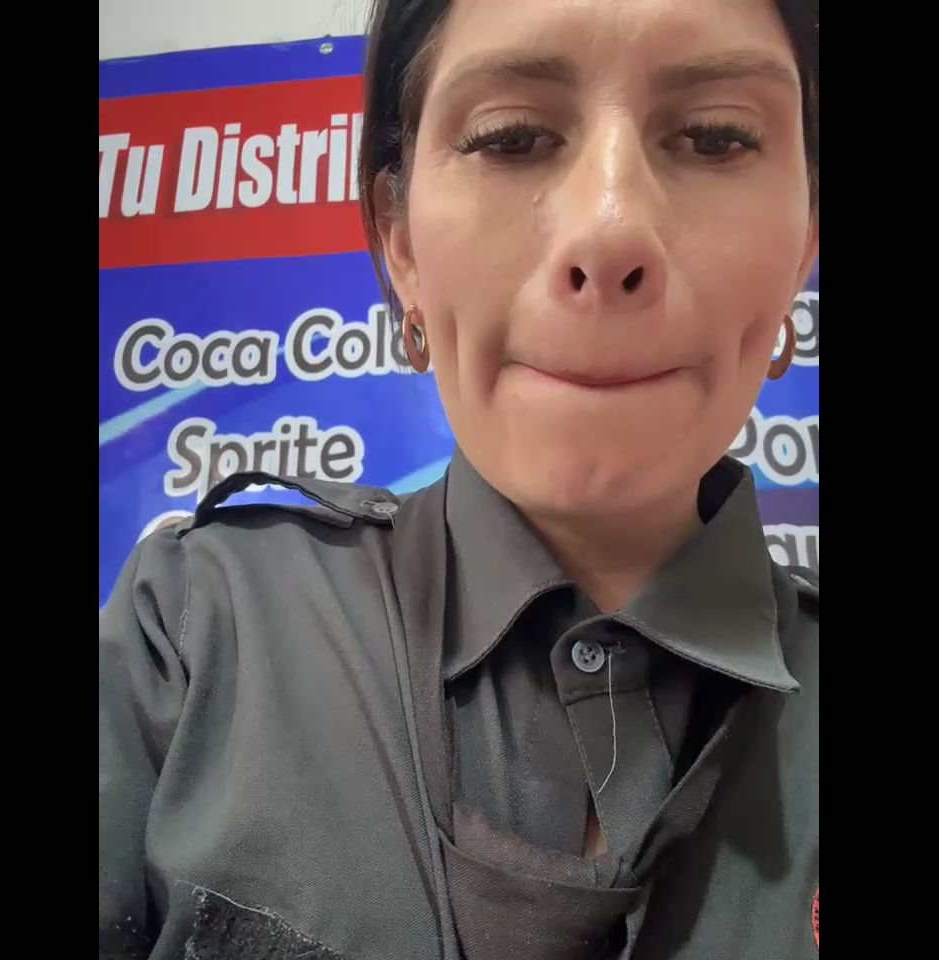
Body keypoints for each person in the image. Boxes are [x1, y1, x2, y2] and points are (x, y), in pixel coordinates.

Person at [99, 0, 819, 957]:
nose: (610, 231)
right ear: (400, 242)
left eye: (717, 137)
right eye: (510, 138)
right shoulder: (195, 629)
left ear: (804, 238)